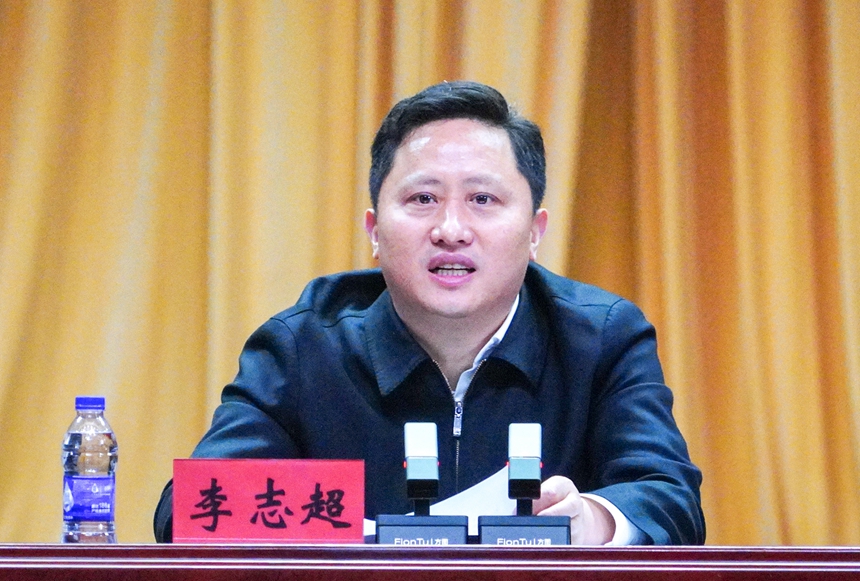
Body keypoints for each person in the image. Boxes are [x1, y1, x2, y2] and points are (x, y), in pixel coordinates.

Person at [154, 80, 705, 545]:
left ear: (535, 232)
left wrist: (594, 521)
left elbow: (669, 498)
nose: (451, 229)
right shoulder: (303, 346)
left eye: (483, 199)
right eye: (423, 199)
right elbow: (188, 509)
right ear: (374, 231)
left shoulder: (601, 337)